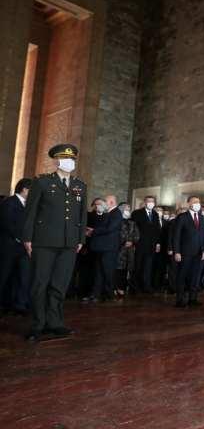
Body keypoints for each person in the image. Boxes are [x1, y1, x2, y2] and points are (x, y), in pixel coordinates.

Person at [22, 144, 87, 341]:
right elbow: (31, 212)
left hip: (69, 243)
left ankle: (55, 323)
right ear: (57, 161)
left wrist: (80, 239)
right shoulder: (42, 182)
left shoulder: (80, 186)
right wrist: (27, 238)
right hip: (44, 242)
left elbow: (82, 215)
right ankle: (38, 324)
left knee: (60, 284)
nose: (70, 162)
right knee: (40, 284)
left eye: (73, 159)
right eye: (66, 159)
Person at [0, 178, 32, 315]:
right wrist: (22, 238)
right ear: (25, 189)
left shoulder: (28, 205)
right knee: (4, 276)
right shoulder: (9, 202)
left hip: (23, 248)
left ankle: (19, 305)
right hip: (9, 247)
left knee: (23, 276)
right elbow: (7, 224)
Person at [172, 196, 204, 307]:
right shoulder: (182, 217)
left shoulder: (202, 217)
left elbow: (203, 235)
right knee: (182, 276)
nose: (198, 204)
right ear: (189, 204)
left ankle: (193, 298)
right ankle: (180, 300)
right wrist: (177, 251)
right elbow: (176, 235)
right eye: (195, 202)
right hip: (185, 252)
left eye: (199, 202)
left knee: (195, 276)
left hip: (199, 253)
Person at [85, 195, 123, 303]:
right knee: (99, 272)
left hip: (109, 248)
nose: (103, 203)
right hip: (102, 247)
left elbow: (109, 228)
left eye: (105, 201)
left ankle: (109, 295)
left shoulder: (116, 213)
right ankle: (95, 294)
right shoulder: (109, 213)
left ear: (111, 202)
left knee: (108, 272)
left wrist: (93, 231)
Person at [131, 195, 162, 293]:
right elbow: (133, 228)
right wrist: (133, 242)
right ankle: (135, 287)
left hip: (151, 245)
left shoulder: (155, 214)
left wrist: (158, 243)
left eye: (152, 201)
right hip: (139, 244)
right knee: (137, 266)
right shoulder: (137, 213)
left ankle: (146, 286)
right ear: (145, 202)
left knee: (148, 267)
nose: (151, 203)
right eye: (149, 201)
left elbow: (157, 229)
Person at [115, 203, 138, 297]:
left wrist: (132, 242)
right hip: (119, 250)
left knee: (126, 270)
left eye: (129, 209)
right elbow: (116, 235)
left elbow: (137, 235)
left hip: (130, 250)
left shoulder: (132, 223)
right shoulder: (116, 221)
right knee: (118, 269)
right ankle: (116, 288)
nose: (128, 211)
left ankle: (123, 288)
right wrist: (124, 242)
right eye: (126, 209)